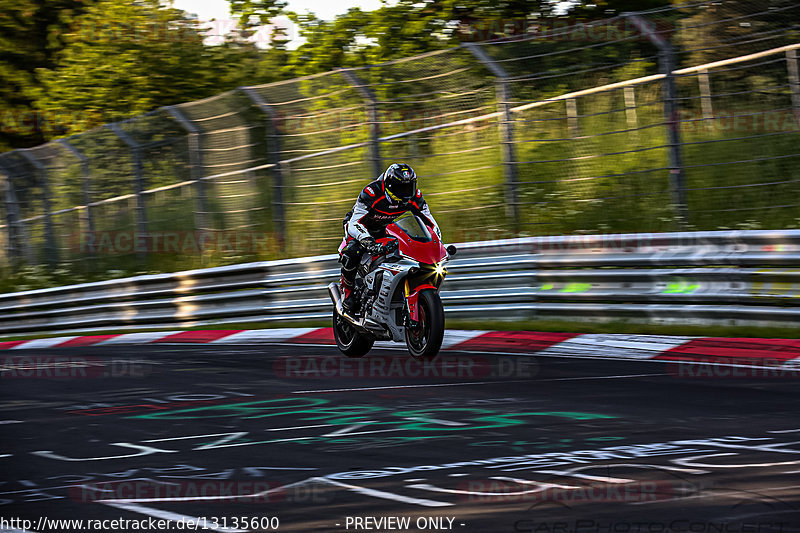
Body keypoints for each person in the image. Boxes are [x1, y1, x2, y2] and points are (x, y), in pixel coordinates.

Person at [339, 163, 441, 312]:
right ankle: (346, 292)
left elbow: (429, 221)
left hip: (383, 229)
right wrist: (366, 239)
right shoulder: (372, 192)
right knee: (353, 251)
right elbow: (354, 223)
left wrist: (437, 242)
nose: (405, 193)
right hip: (359, 228)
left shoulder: (414, 196)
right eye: (401, 188)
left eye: (409, 187)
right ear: (389, 186)